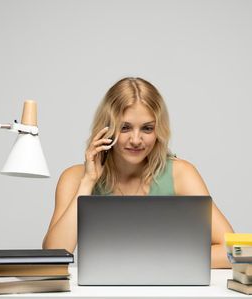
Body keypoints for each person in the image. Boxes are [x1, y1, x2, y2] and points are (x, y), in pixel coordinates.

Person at [42, 77, 234, 268]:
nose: (136, 139)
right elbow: (53, 256)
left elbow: (231, 250)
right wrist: (87, 182)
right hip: (100, 296)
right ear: (107, 128)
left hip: (167, 293)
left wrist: (157, 262)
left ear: (159, 131)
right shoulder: (74, 178)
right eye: (125, 128)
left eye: (147, 128)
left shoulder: (180, 173)